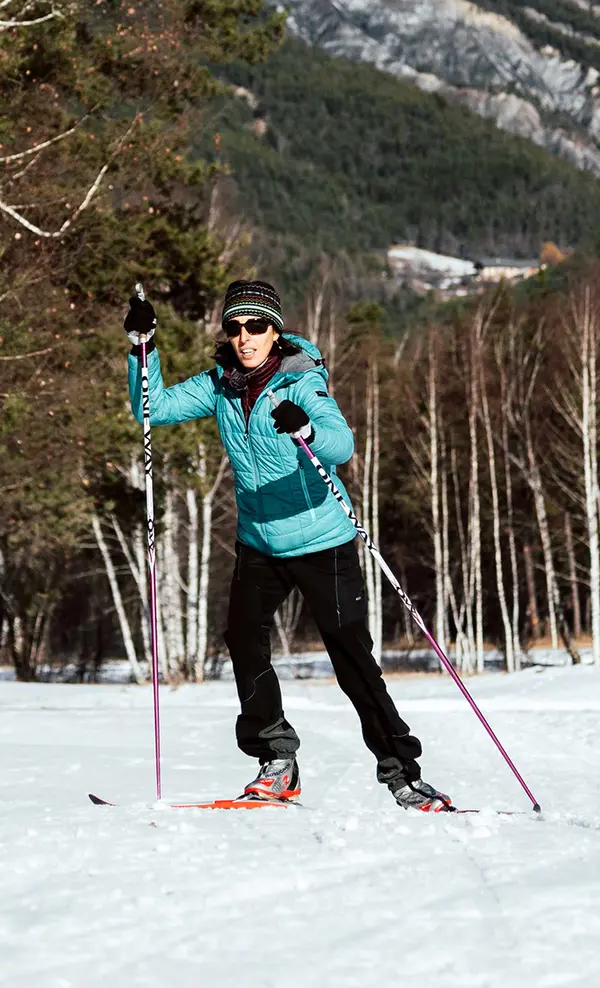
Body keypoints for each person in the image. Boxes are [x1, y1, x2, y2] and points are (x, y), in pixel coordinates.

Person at [123, 279, 454, 811]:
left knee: (352, 659)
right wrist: (144, 347)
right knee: (242, 638)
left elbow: (341, 444)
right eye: (235, 327)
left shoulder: (301, 382)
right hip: (260, 544)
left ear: (275, 331)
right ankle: (276, 760)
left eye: (256, 326)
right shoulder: (221, 385)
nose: (245, 337)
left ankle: (404, 775)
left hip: (323, 542)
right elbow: (150, 407)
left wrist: (307, 429)